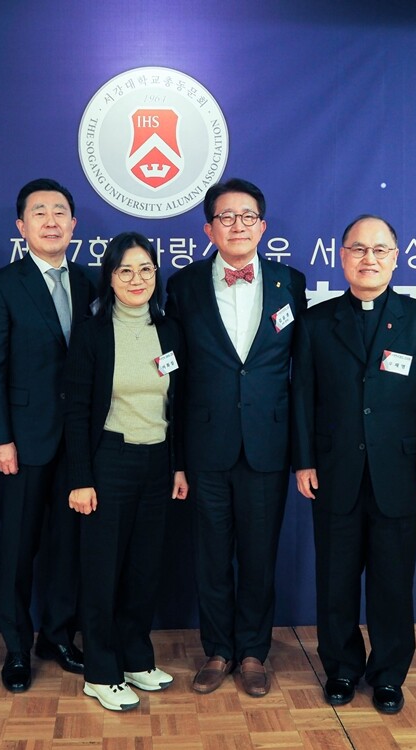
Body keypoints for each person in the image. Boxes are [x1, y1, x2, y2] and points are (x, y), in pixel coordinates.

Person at [291, 214, 416, 714]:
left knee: (392, 582)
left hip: (400, 475)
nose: (369, 259)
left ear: (396, 258)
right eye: (359, 249)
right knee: (335, 580)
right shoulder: (316, 322)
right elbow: (302, 397)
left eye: (380, 250)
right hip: (334, 471)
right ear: (342, 257)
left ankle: (388, 674)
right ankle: (341, 668)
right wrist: (303, 461)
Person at [165, 178, 307, 697]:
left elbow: (300, 373)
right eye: (226, 217)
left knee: (259, 557)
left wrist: (302, 453)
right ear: (209, 229)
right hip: (206, 446)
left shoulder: (291, 282)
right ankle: (218, 650)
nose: (238, 225)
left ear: (262, 226)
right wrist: (178, 459)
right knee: (211, 557)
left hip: (267, 444)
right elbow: (175, 378)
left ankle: (252, 652)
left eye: (247, 216)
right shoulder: (183, 285)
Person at [63, 232, 188, 711]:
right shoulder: (93, 332)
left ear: (157, 274)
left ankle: (136, 658)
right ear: (110, 278)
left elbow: (178, 405)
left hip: (157, 462)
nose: (137, 279)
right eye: (126, 271)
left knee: (144, 568)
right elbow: (77, 411)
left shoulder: (169, 330)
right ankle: (100, 671)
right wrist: (81, 478)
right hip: (108, 463)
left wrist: (178, 467)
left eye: (146, 270)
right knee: (102, 571)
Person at [0, 178, 95, 691]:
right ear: (21, 226)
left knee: (68, 547)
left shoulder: (91, 283)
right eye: (40, 212)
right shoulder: (4, 284)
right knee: (17, 550)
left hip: (78, 442)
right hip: (22, 443)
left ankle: (57, 636)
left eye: (60, 212)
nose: (51, 221)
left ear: (74, 224)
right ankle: (16, 648)